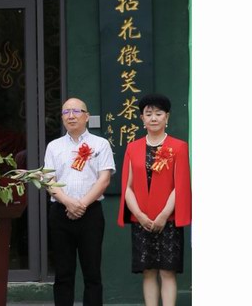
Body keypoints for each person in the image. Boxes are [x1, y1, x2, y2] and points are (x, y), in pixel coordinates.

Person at [117, 93, 191, 306]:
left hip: (168, 219)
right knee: (148, 272)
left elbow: (181, 185)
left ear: (167, 117)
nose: (154, 118)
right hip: (141, 220)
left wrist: (163, 214)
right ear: (142, 118)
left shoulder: (178, 146)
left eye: (159, 113)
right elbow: (127, 187)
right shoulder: (133, 147)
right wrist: (139, 215)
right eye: (148, 114)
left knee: (168, 272)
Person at [44, 97, 115, 306]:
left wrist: (81, 204)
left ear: (87, 116)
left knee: (92, 273)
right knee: (63, 273)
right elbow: (49, 180)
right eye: (66, 112)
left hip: (90, 214)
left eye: (76, 111)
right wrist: (68, 202)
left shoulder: (100, 144)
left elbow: (104, 180)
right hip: (60, 213)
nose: (71, 116)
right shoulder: (54, 146)